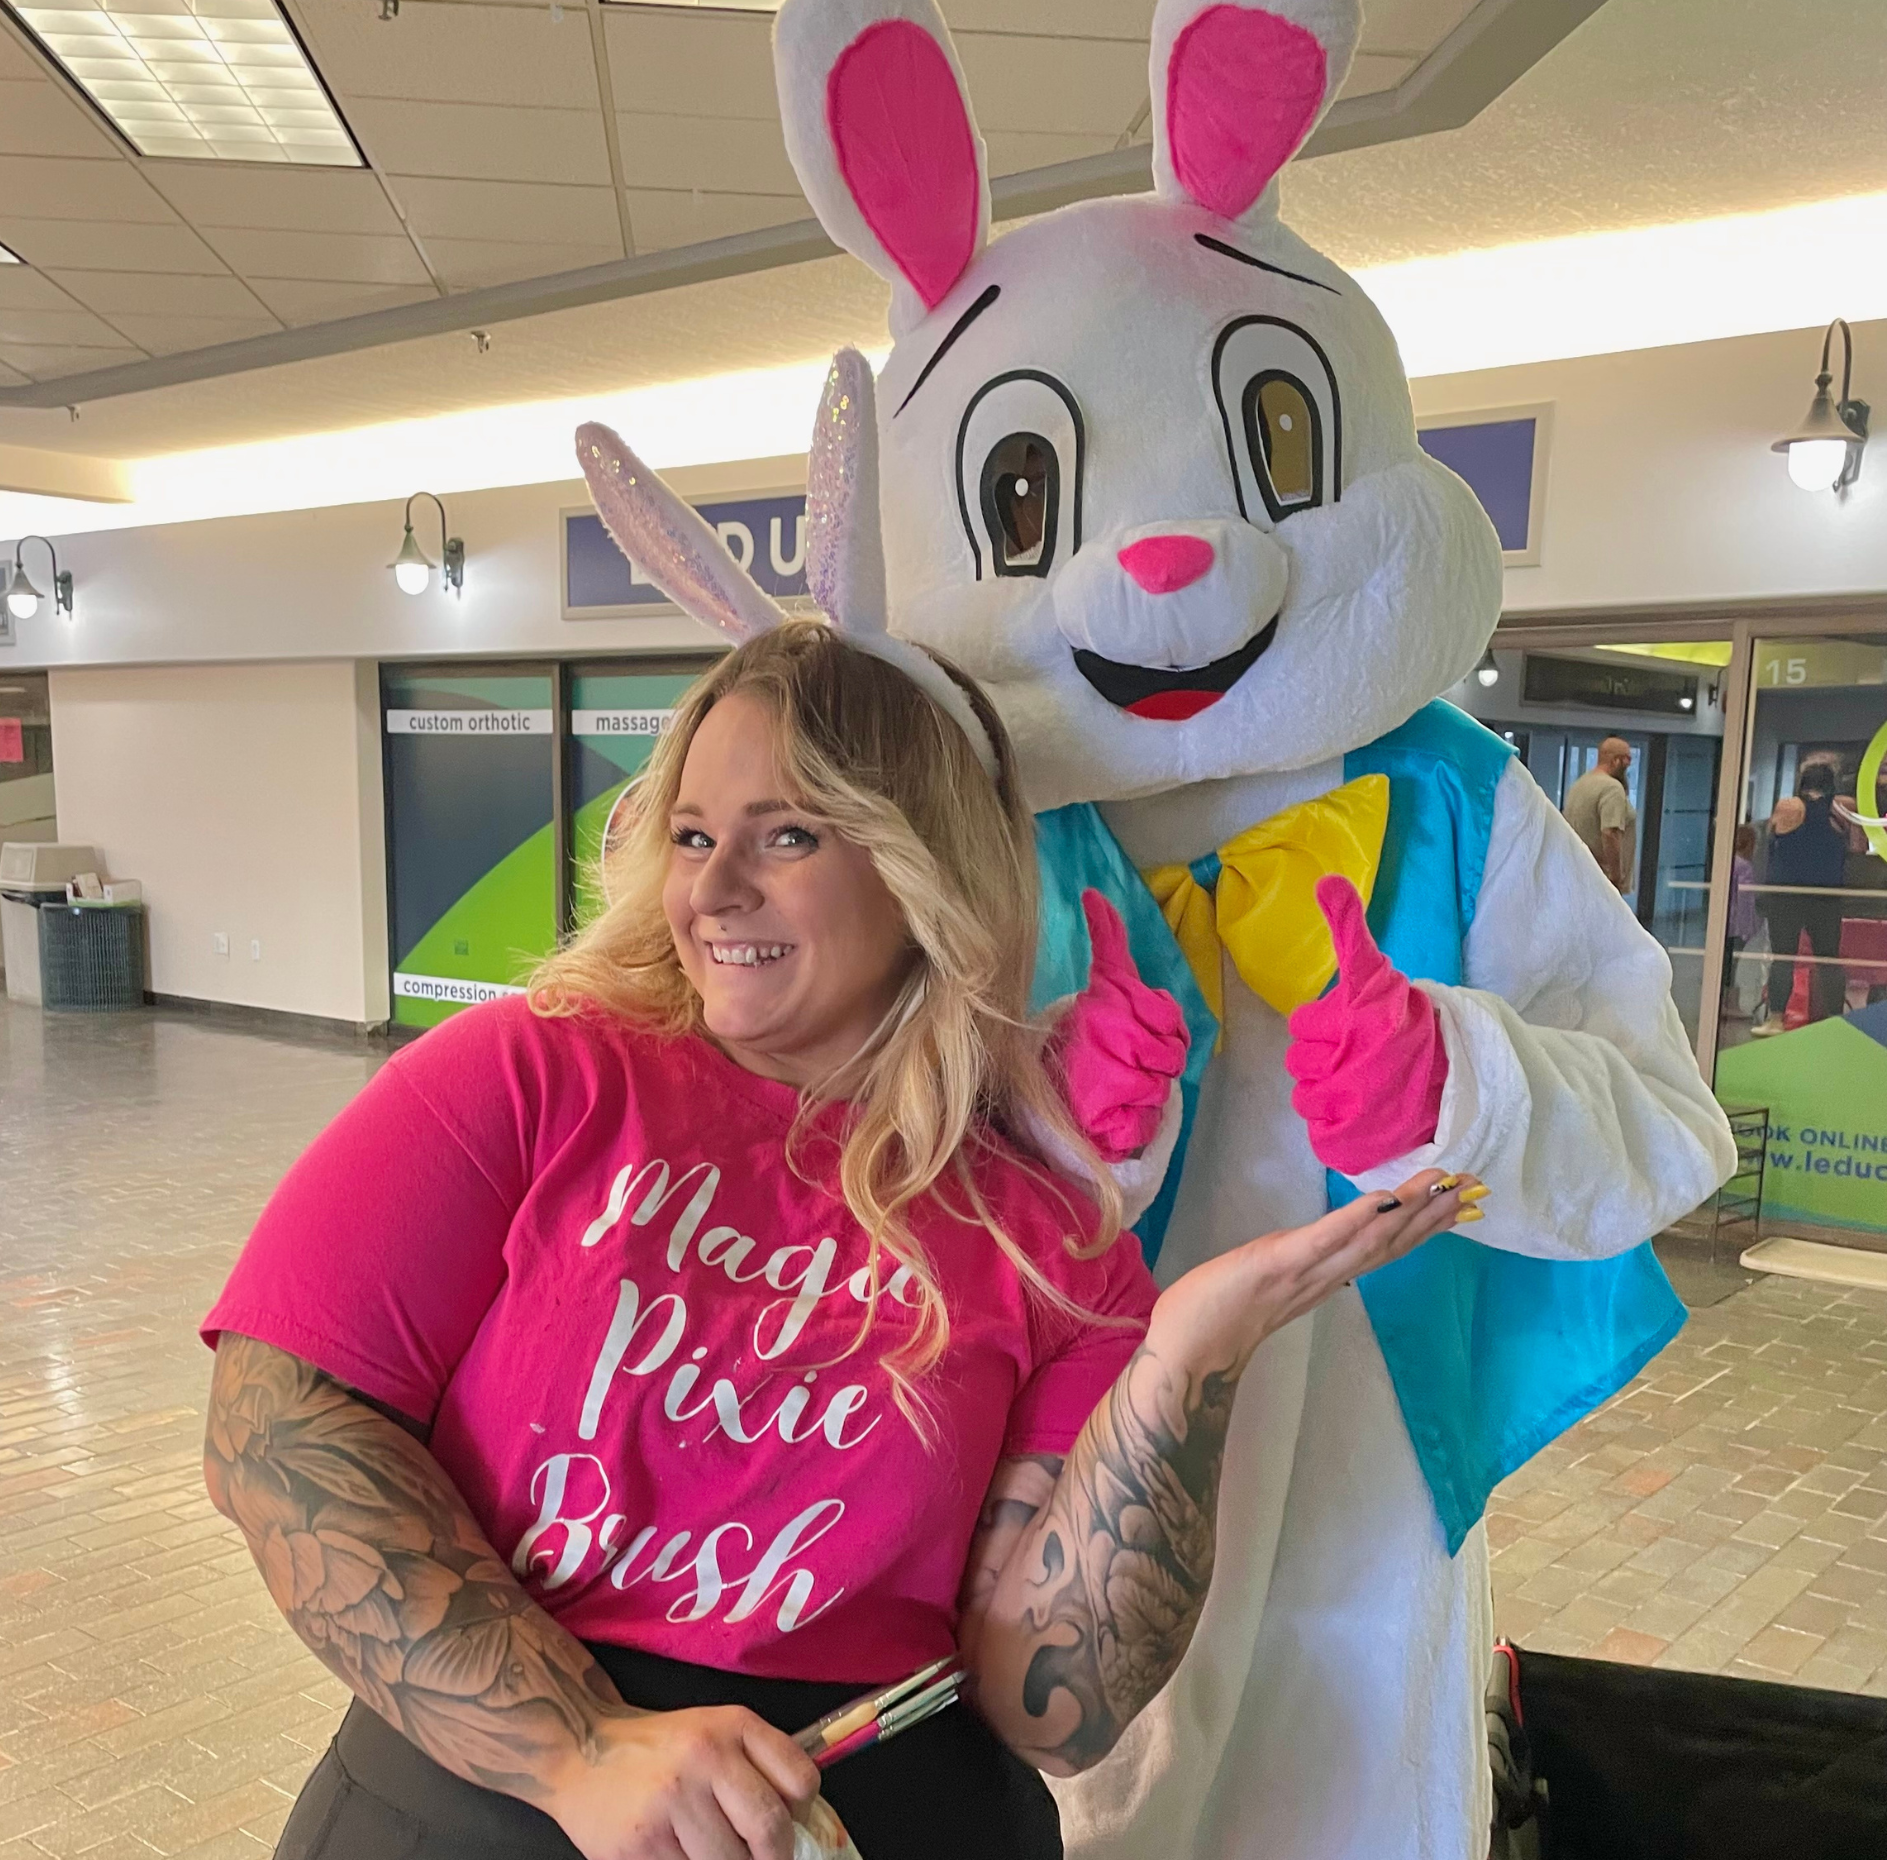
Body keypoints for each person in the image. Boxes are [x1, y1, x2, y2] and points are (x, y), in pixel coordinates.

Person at [200, 621, 1466, 1860]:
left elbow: (1052, 1702)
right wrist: (577, 1747)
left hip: (878, 1800)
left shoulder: (1043, 1220)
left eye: (786, 835)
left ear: (924, 868)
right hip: (482, 1792)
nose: (710, 888)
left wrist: (1183, 1371)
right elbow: (276, 1424)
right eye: (692, 834)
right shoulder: (531, 1070)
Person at [1754, 759, 1849, 1034]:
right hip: (1826, 897)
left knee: (1783, 957)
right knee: (1829, 959)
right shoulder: (1841, 811)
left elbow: (1770, 841)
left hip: (1786, 896)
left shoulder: (1789, 808)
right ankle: (1835, 1018)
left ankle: (1775, 1018)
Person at [1562, 737, 1635, 888]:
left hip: (1578, 873)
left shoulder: (1580, 784)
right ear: (1615, 760)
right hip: (1601, 880)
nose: (1629, 764)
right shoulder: (1612, 788)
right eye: (1627, 758)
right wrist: (1615, 877)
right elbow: (1610, 832)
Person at [1723, 824, 1758, 1016]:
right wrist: (1747, 927)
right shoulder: (1744, 866)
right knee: (1733, 965)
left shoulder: (1728, 862)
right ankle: (1731, 1003)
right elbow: (1745, 899)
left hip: (1725, 923)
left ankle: (1724, 1002)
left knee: (1725, 962)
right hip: (1736, 924)